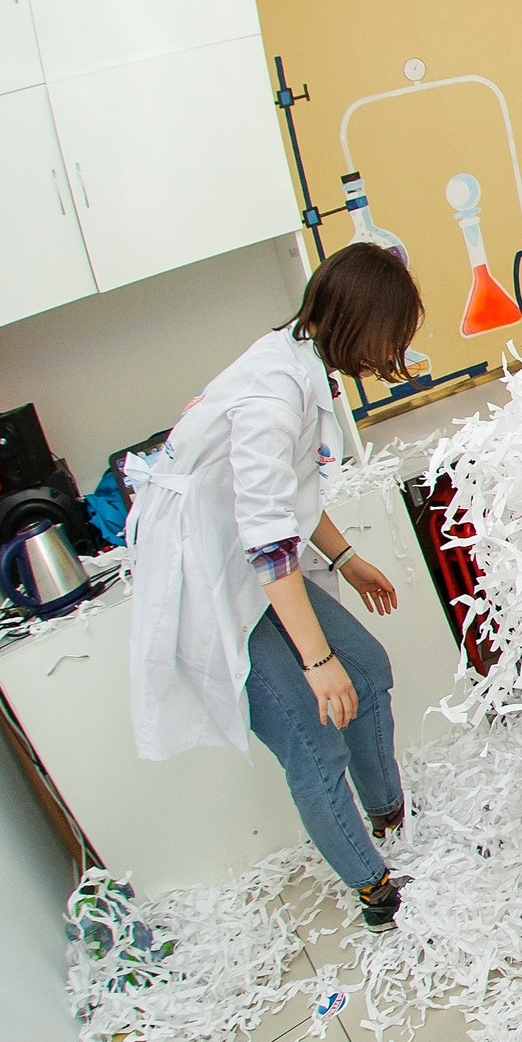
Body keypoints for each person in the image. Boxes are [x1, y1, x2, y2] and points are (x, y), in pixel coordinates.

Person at [129, 243, 422, 931]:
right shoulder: (272, 393)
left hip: (252, 565)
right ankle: (374, 887)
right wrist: (316, 663)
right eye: (391, 335)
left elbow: (287, 492)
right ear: (357, 322)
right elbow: (267, 541)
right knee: (313, 735)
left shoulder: (300, 362)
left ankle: (388, 814)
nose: (394, 351)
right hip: (212, 580)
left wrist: (346, 559)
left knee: (366, 667)